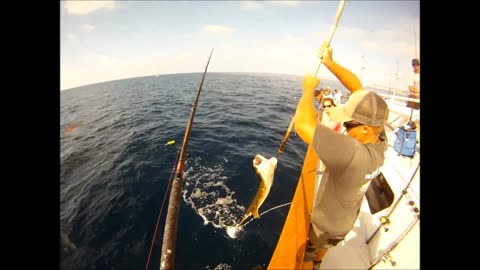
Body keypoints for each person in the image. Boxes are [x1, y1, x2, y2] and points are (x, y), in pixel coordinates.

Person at [293, 42, 389, 269]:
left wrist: (308, 89)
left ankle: (311, 264)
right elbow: (358, 90)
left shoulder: (352, 153)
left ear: (365, 129)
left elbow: (303, 125)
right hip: (345, 222)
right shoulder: (380, 139)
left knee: (308, 254)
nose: (344, 125)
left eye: (349, 123)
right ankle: (319, 262)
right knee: (328, 246)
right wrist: (329, 63)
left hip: (322, 224)